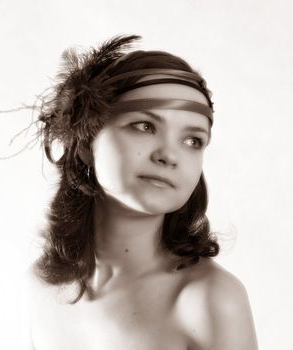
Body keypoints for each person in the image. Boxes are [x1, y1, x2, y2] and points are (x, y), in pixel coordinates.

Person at [26, 34, 258, 350]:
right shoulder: (42, 286)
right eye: (145, 126)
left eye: (192, 141)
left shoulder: (209, 300)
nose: (169, 155)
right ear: (85, 145)